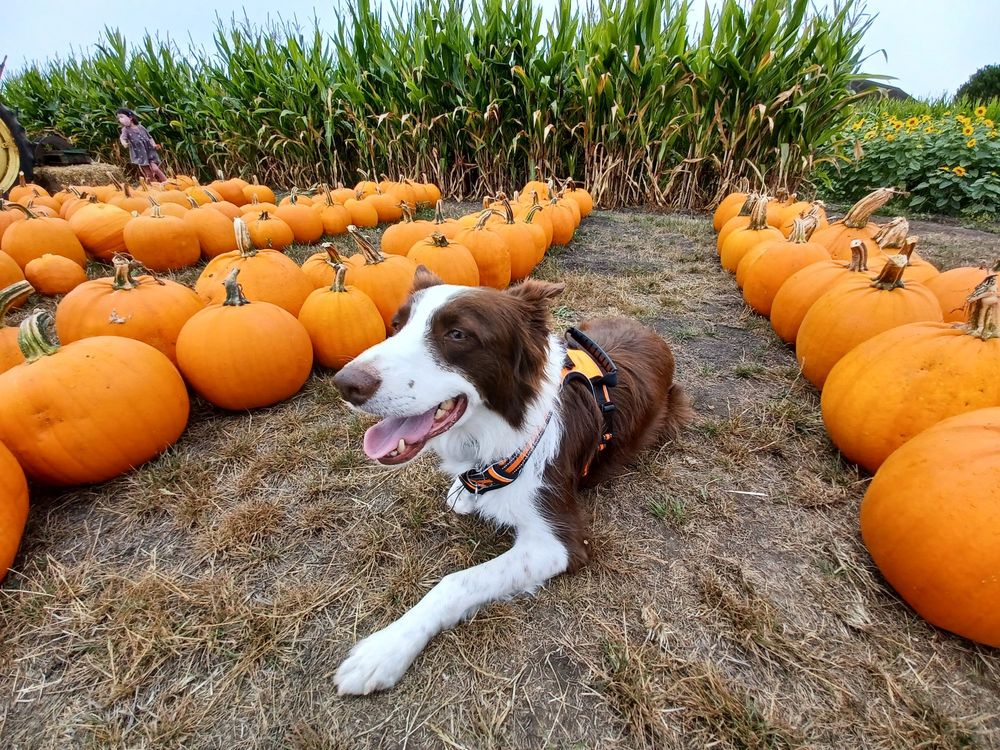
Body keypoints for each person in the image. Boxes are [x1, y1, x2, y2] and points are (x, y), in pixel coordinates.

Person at [116, 107, 167, 182]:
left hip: (149, 150)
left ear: (130, 117)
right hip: (139, 153)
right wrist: (124, 143)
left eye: (122, 117)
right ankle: (152, 187)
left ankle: (167, 182)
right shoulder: (125, 130)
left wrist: (154, 144)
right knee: (148, 173)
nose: (120, 120)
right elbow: (122, 138)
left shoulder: (141, 127)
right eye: (119, 118)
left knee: (155, 169)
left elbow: (149, 137)